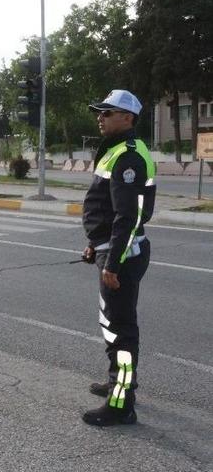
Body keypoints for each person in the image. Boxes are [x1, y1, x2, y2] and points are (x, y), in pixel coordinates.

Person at [81, 90, 156, 427]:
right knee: (111, 325)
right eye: (100, 111)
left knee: (121, 330)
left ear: (127, 118)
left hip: (121, 255)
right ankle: (118, 382)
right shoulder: (116, 152)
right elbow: (107, 210)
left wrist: (112, 262)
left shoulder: (128, 157)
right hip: (110, 249)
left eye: (108, 112)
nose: (101, 116)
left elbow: (129, 216)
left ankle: (122, 402)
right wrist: (95, 246)